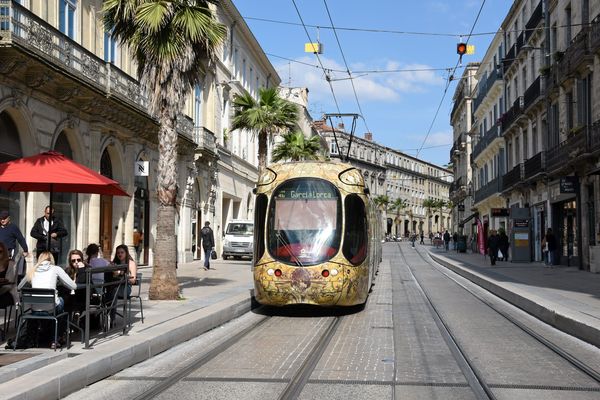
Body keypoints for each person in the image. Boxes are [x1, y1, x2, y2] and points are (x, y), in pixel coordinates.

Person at [17, 252, 76, 348]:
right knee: (61, 301)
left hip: (34, 310)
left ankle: (39, 337)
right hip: (50, 310)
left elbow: (19, 287)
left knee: (54, 305)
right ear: (51, 259)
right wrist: (61, 282)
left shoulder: (33, 270)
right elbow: (73, 286)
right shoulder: (56, 269)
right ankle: (55, 339)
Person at [106, 244, 138, 326]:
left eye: (122, 252)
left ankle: (111, 317)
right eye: (118, 253)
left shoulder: (131, 263)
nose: (120, 254)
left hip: (125, 288)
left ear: (126, 253)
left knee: (112, 293)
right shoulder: (115, 263)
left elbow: (133, 280)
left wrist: (122, 274)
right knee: (109, 292)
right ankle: (107, 316)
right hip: (114, 286)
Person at [62, 249, 88, 315]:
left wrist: (81, 270)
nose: (76, 262)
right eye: (73, 261)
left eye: (78, 260)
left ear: (82, 260)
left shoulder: (87, 269)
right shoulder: (68, 271)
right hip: (70, 298)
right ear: (70, 262)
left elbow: (80, 284)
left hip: (82, 297)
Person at [0, 242, 18, 320]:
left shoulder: (11, 264)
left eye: (0, 251)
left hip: (8, 293)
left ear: (5, 252)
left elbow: (9, 285)